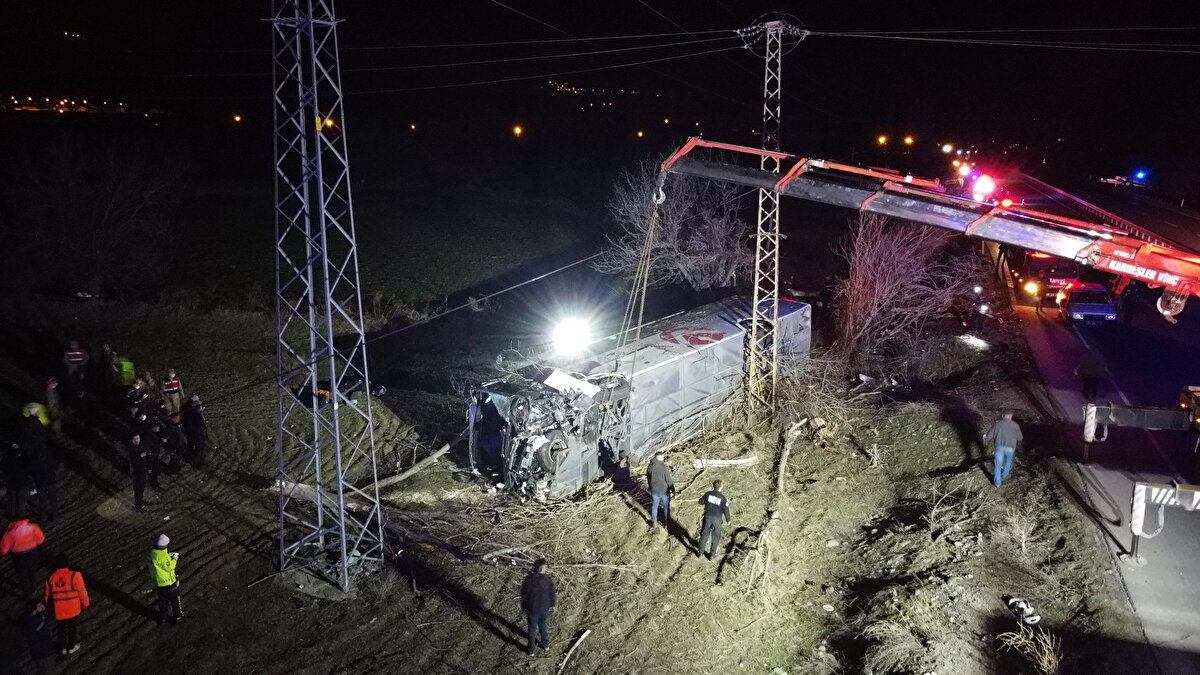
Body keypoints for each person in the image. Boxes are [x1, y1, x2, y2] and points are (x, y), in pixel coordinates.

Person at [20, 404, 58, 523]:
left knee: (42, 499)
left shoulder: (32, 459)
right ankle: (55, 516)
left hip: (40, 481)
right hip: (49, 479)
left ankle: (42, 517)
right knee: (52, 498)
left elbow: (30, 470)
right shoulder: (46, 456)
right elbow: (53, 465)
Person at [45, 557, 89, 655]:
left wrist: (47, 606)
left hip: (59, 609)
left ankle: (63, 648)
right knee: (72, 628)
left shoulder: (51, 577)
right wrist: (86, 604)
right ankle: (71, 646)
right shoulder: (75, 575)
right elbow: (82, 591)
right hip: (73, 608)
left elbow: (48, 595)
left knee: (61, 629)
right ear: (68, 563)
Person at [1, 517, 46, 599]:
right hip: (33, 554)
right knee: (32, 572)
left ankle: (27, 594)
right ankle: (34, 588)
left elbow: (3, 551)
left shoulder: (9, 534)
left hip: (19, 557)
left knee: (23, 576)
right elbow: (41, 540)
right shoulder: (33, 527)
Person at [519, 558, 556, 656]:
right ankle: (545, 645)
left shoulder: (528, 579)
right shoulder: (548, 580)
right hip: (544, 608)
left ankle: (531, 650)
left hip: (532, 609)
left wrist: (523, 607)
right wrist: (552, 605)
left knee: (532, 629)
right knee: (543, 626)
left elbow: (524, 595)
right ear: (544, 568)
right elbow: (552, 593)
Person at [149, 534, 184, 625]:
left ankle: (162, 619)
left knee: (162, 602)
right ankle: (179, 617)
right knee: (176, 600)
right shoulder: (164, 557)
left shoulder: (153, 553)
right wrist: (174, 559)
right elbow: (169, 567)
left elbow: (159, 560)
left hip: (159, 583)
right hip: (168, 583)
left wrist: (169, 555)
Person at [984, 412, 1024, 488]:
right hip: (1010, 448)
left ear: (1003, 415)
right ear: (1011, 416)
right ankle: (1003, 476)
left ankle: (997, 484)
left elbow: (989, 436)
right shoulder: (1015, 425)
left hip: (999, 447)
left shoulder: (998, 424)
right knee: (1007, 464)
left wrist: (987, 438)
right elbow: (1020, 438)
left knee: (998, 465)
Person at [696, 480, 732, 561]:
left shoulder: (708, 494)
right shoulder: (723, 498)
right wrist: (728, 520)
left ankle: (700, 553)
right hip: (717, 520)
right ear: (721, 487)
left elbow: (700, 502)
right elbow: (726, 510)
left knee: (704, 535)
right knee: (715, 537)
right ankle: (712, 555)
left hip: (707, 518)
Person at [21, 599, 57, 675]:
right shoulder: (30, 623)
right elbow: (33, 642)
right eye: (40, 606)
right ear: (34, 608)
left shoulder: (40, 618)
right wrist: (43, 649)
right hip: (43, 655)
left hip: (47, 652)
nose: (42, 607)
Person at [127, 432, 160, 512]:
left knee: (142, 488)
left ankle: (140, 501)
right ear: (132, 440)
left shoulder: (142, 446)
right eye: (135, 439)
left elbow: (147, 458)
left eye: (138, 438)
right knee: (138, 489)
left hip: (143, 471)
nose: (137, 440)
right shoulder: (131, 449)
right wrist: (139, 457)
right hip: (137, 473)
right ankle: (138, 506)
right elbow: (133, 461)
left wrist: (149, 468)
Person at [646, 452, 674, 528]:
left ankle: (654, 522)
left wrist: (650, 488)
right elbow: (668, 480)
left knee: (654, 506)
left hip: (654, 491)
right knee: (665, 507)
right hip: (664, 491)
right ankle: (666, 523)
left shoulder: (649, 466)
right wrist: (673, 489)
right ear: (659, 457)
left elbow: (648, 479)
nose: (663, 458)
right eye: (662, 457)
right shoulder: (664, 467)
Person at [3, 441, 28, 518]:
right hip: (21, 481)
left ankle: (12, 514)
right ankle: (21, 515)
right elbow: (27, 466)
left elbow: (3, 466)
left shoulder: (7, 455)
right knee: (21, 500)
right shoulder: (22, 454)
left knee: (12, 500)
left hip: (11, 482)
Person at [182, 395, 208, 466]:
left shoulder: (190, 411)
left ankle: (198, 459)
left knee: (198, 447)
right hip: (196, 434)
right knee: (198, 448)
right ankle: (196, 462)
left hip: (196, 433)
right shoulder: (193, 413)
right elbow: (196, 424)